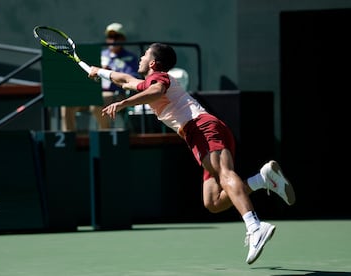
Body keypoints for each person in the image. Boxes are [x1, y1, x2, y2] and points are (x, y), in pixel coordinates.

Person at [88, 43, 296, 265]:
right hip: (201, 131)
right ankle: (262, 179)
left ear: (153, 63)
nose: (139, 57)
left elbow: (155, 91)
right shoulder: (149, 81)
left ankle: (255, 226)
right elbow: (124, 80)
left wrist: (123, 103)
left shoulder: (159, 79)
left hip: (201, 128)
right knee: (213, 201)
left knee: (225, 173)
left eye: (144, 54)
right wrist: (98, 71)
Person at [62, 22, 139, 131]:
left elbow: (132, 79)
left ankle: (105, 136)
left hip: (115, 94)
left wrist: (110, 73)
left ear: (123, 39)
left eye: (117, 37)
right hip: (90, 92)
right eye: (110, 37)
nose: (113, 40)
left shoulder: (130, 58)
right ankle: (69, 141)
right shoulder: (100, 54)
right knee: (67, 105)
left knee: (96, 103)